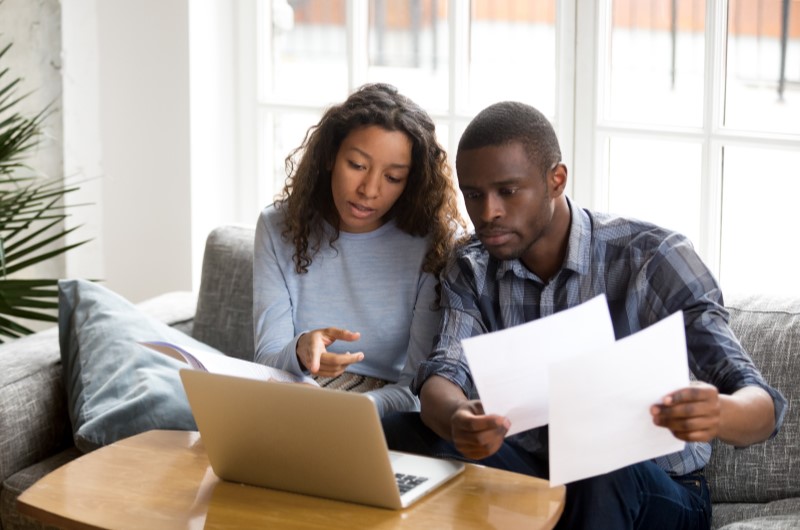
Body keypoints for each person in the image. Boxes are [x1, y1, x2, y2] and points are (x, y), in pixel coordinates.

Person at [381, 101, 786, 529]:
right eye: (474, 195)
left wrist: (719, 412)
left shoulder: (652, 259)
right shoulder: (473, 266)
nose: (488, 213)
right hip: (538, 475)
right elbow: (445, 373)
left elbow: (762, 406)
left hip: (655, 488)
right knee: (398, 432)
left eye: (508, 191)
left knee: (597, 460)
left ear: (556, 180)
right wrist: (458, 419)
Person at [253, 83, 465, 417]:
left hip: (387, 410)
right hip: (295, 395)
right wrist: (300, 349)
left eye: (393, 177)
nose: (369, 190)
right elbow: (267, 361)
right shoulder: (278, 226)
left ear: (411, 182)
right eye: (357, 165)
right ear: (329, 157)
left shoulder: (434, 242)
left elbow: (417, 387)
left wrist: (352, 411)